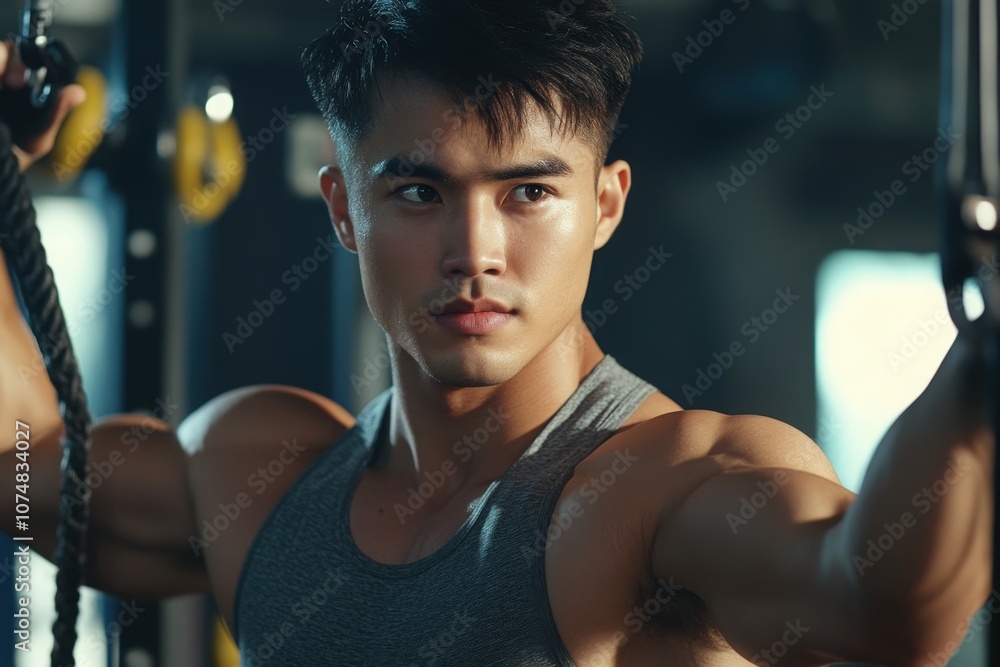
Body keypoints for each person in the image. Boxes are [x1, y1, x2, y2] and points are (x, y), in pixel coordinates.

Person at [0, 1, 994, 665]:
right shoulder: (259, 474)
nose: (474, 251)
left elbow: (882, 605)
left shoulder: (663, 489)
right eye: (419, 192)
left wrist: (978, 358)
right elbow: (22, 479)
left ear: (605, 206)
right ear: (343, 209)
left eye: (528, 193)